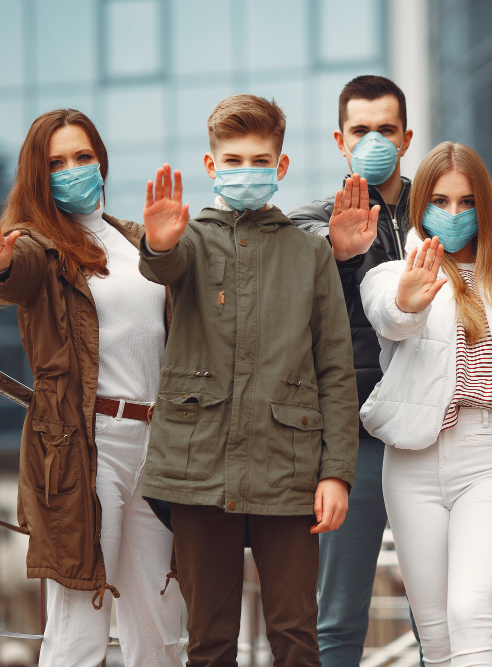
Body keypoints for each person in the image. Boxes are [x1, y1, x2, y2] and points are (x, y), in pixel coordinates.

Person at [136, 94, 360, 667]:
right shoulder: (189, 240)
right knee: (209, 645)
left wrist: (336, 473)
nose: (245, 172)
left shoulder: (309, 254)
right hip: (197, 466)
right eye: (231, 161)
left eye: (258, 160)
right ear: (211, 167)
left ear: (281, 167)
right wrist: (158, 242)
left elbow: (335, 368)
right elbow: (164, 264)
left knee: (295, 640)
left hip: (288, 469)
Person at [0, 109, 183, 667]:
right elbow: (19, 272)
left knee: (161, 623)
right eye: (56, 162)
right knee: (80, 623)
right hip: (85, 447)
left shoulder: (134, 241)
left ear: (101, 161)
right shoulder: (40, 245)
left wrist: (166, 248)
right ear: (39, 177)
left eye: (83, 156)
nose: (73, 169)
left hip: (157, 446)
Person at [359, 141, 492, 667]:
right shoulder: (393, 275)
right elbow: (391, 315)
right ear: (420, 207)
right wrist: (411, 299)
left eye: (466, 201)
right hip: (412, 462)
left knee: (469, 615)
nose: (454, 214)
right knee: (435, 638)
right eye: (440, 200)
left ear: (485, 207)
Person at [288, 74, 416, 666]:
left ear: (407, 137)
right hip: (352, 440)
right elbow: (296, 312)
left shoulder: (445, 211)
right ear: (340, 140)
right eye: (361, 130)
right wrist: (338, 254)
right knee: (337, 619)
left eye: (385, 129)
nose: (374, 140)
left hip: (434, 436)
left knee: (443, 613)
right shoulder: (311, 221)